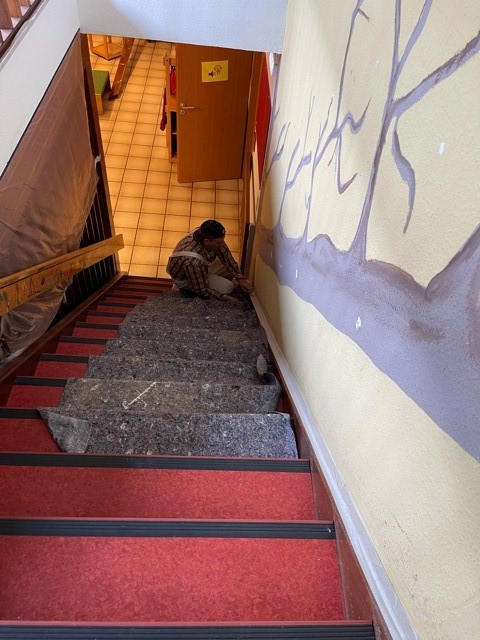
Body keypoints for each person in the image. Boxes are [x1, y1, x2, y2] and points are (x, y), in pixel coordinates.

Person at [166, 220, 253, 303]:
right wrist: (226, 298)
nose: (222, 244)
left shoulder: (205, 234)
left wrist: (240, 279)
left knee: (229, 268)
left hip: (200, 267)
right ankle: (185, 291)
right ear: (207, 241)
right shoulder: (192, 262)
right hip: (187, 279)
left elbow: (226, 257)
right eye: (218, 243)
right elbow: (203, 290)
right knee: (228, 287)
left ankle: (216, 281)